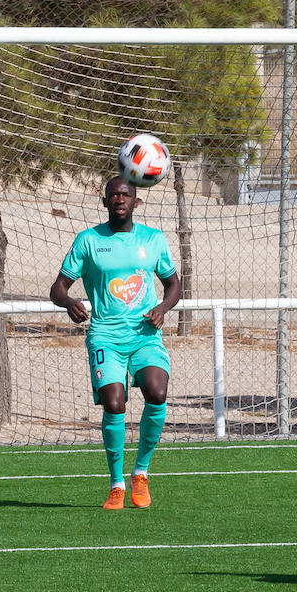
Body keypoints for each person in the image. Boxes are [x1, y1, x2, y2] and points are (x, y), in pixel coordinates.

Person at [50, 175, 181, 509]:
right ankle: (117, 484)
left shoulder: (153, 240)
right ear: (105, 201)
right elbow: (58, 288)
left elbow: (173, 285)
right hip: (105, 334)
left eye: (126, 194)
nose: (120, 199)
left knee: (157, 392)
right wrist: (69, 303)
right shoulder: (89, 241)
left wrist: (163, 309)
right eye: (113, 195)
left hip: (144, 335)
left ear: (136, 200)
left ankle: (140, 474)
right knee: (114, 402)